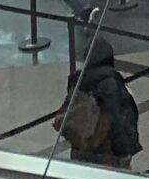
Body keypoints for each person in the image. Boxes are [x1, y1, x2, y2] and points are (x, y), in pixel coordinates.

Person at [59, 38, 143, 170]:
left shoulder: (77, 81)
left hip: (81, 147)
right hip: (107, 154)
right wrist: (125, 151)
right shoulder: (111, 84)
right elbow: (118, 119)